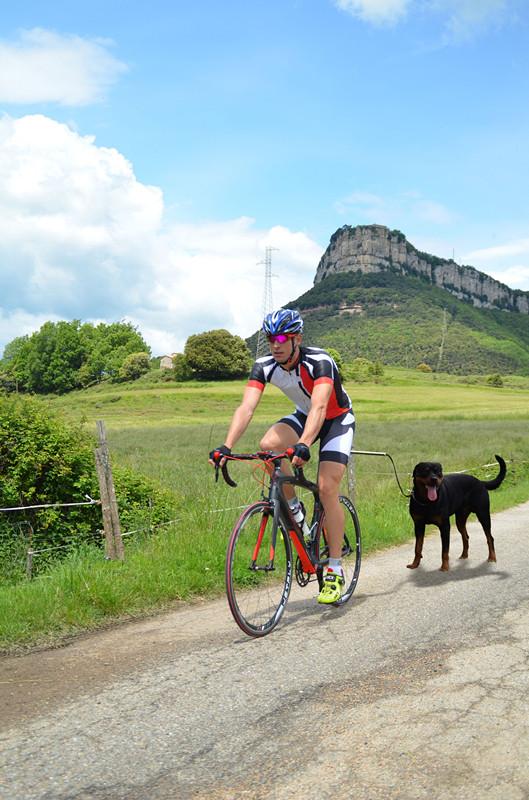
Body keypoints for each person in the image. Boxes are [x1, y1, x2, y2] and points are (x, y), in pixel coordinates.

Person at [209, 308, 355, 604]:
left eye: (280, 338)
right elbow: (246, 408)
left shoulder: (319, 361)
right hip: (303, 416)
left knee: (327, 488)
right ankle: (294, 508)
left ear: (296, 338)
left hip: (336, 420)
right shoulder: (264, 366)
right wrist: (225, 446)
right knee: (269, 444)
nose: (274, 344)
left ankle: (335, 569)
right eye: (269, 338)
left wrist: (303, 444)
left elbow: (320, 407)